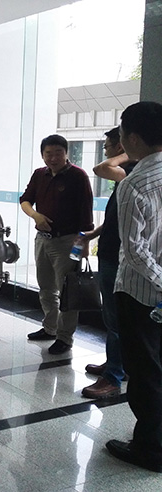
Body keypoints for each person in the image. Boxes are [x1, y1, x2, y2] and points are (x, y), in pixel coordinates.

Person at [106, 101, 162, 473]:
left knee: (145, 373)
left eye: (123, 134)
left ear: (135, 138)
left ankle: (150, 448)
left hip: (142, 295)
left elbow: (135, 249)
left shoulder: (134, 183)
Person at [20, 134, 94, 354]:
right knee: (46, 288)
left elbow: (86, 213)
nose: (53, 158)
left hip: (68, 241)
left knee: (67, 291)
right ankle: (50, 327)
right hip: (43, 240)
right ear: (42, 155)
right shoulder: (39, 174)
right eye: (48, 154)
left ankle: (64, 337)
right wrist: (36, 216)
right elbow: (25, 200)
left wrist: (83, 243)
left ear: (66, 153)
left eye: (58, 153)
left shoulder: (78, 176)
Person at [81, 127, 135, 399]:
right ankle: (116, 363)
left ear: (121, 146)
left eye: (108, 146)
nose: (105, 151)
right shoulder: (126, 178)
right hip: (109, 252)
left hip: (119, 258)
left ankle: (113, 377)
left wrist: (125, 154)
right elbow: (116, 217)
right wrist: (92, 235)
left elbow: (100, 168)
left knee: (115, 320)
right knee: (111, 317)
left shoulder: (130, 171)